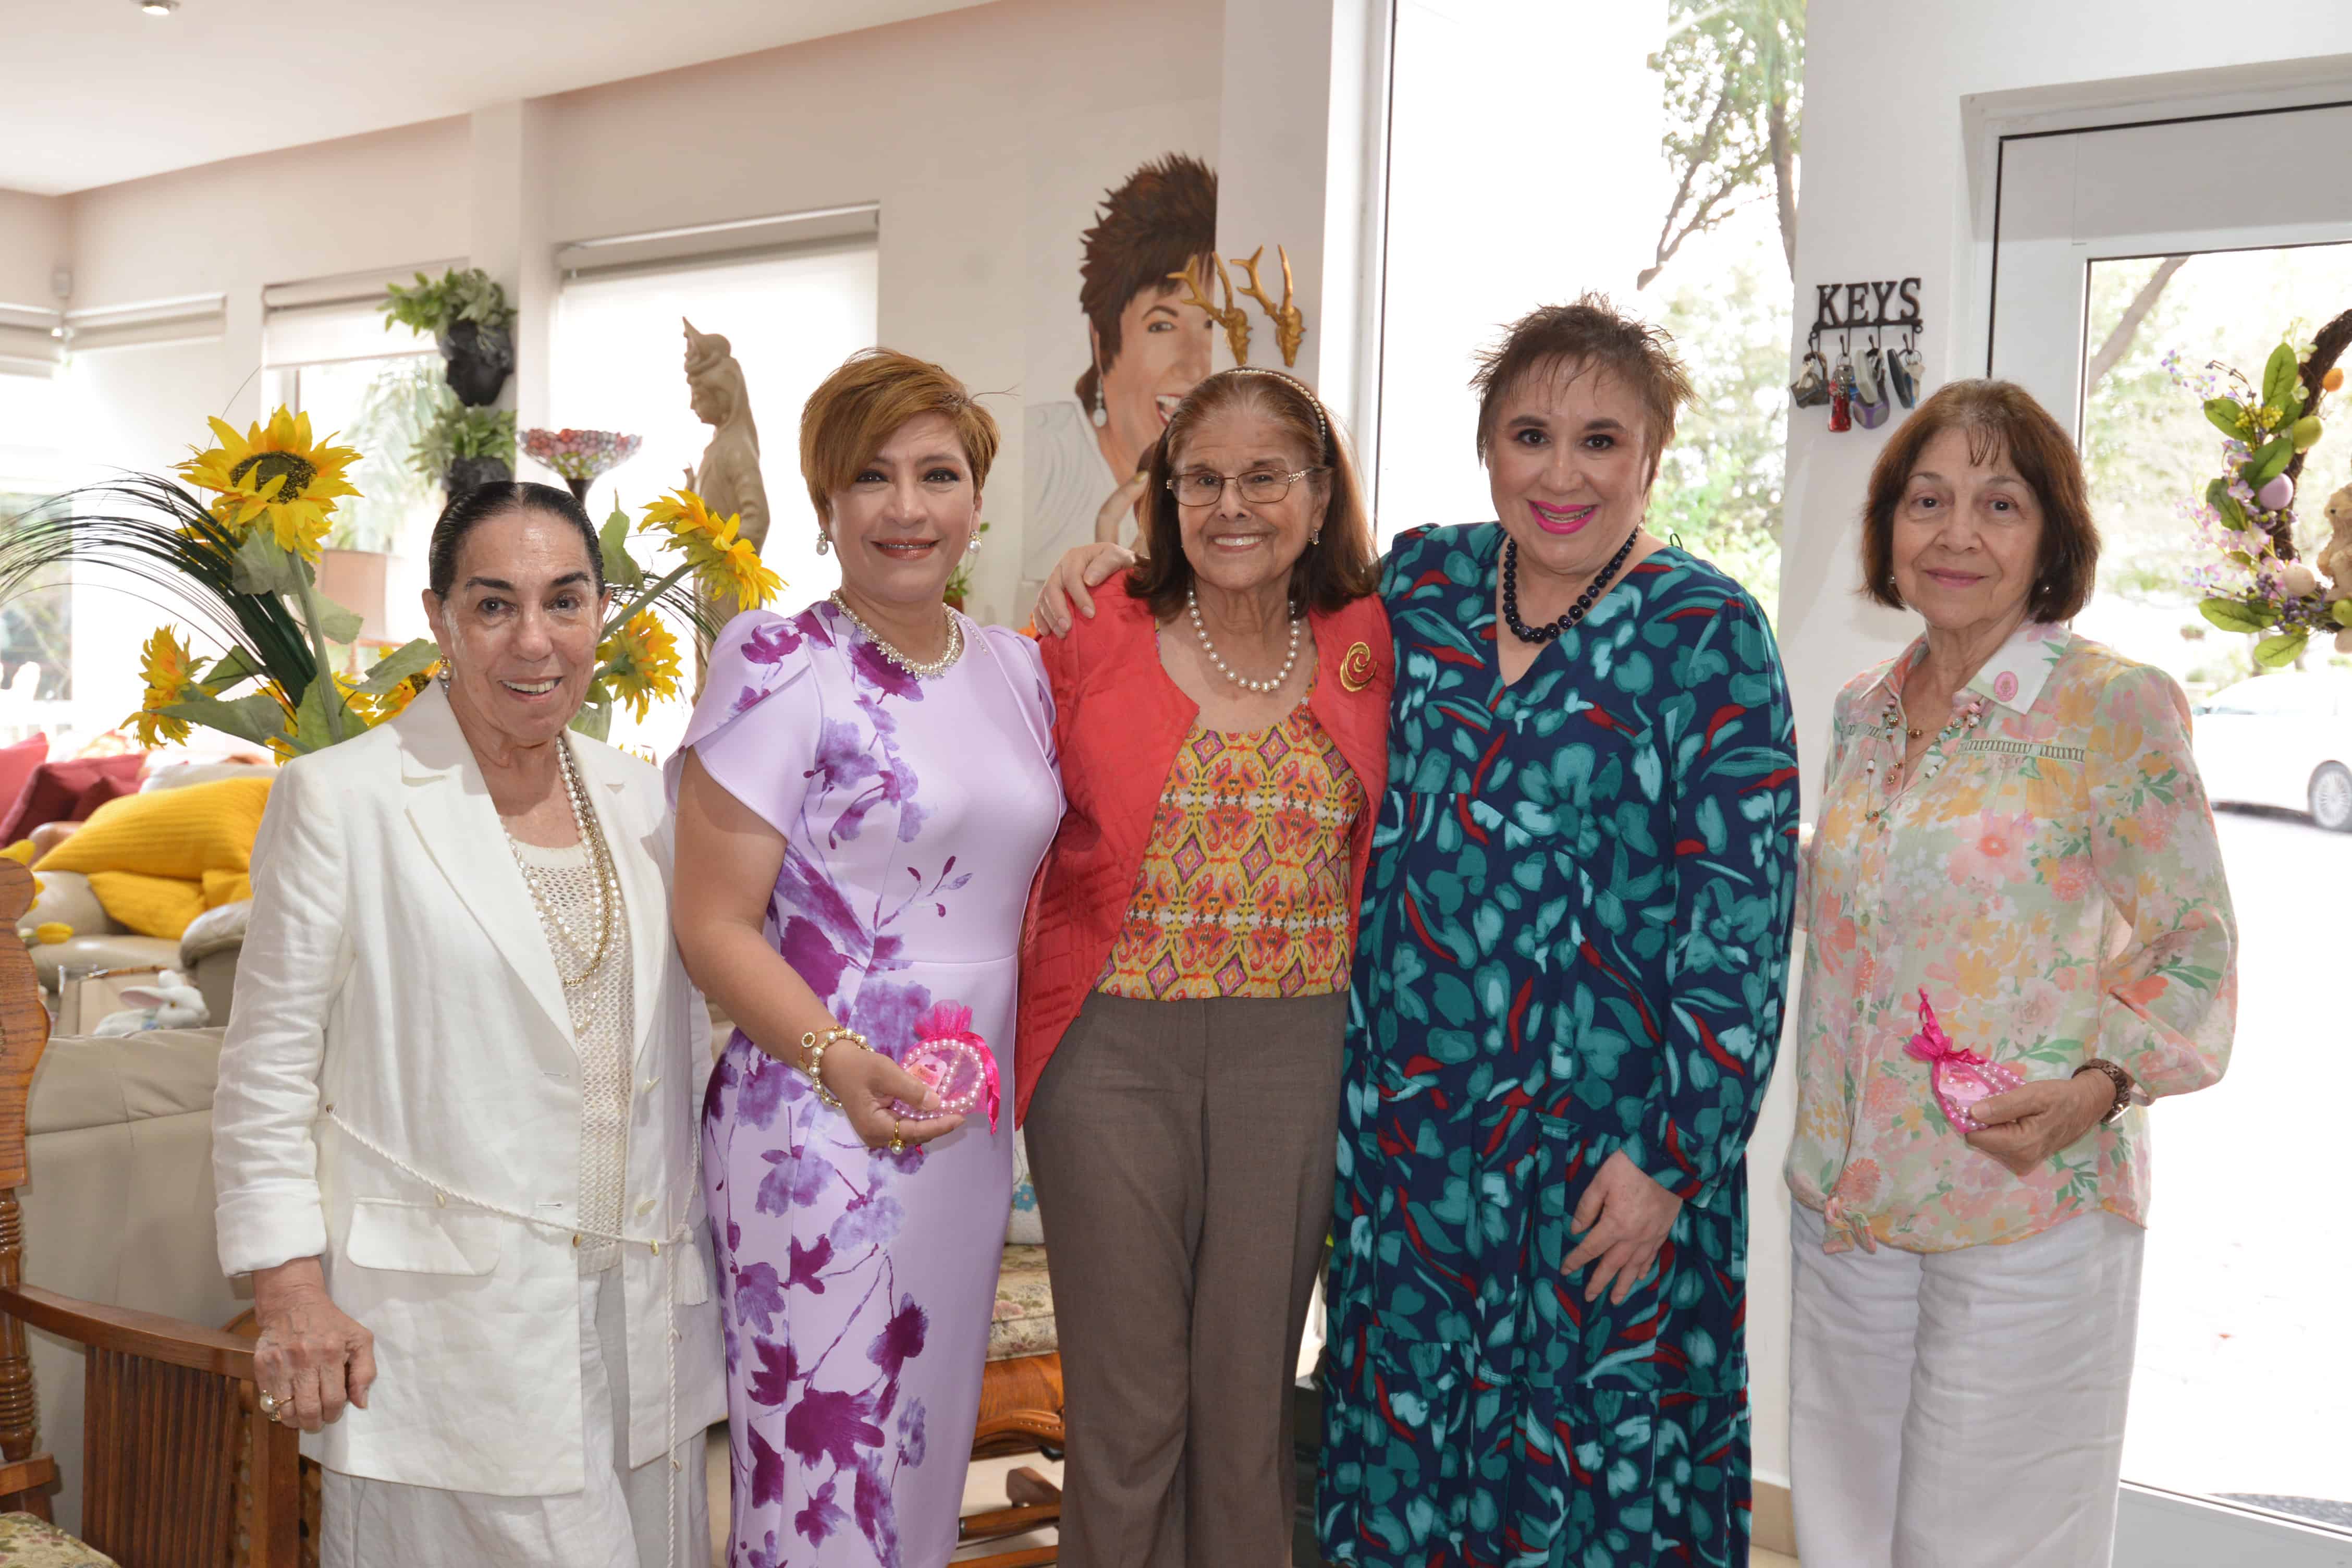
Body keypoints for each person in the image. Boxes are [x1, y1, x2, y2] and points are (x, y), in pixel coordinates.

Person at [1035, 297, 1798, 1567]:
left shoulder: (1707, 635)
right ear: (1487, 446)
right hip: (1412, 1149)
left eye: (1600, 441)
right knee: (1403, 1456)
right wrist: (1107, 548)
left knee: (1587, 1460)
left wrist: (1672, 1154)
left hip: (1600, 1154)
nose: (1561, 473)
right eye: (1529, 434)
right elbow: (1243, 577)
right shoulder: (1428, 585)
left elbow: (1743, 918)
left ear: (1651, 455)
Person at [212, 482, 725, 1567]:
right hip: (446, 1329)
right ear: (439, 619)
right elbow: (265, 1077)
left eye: (565, 601)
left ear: (603, 614)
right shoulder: (342, 800)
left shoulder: (650, 802)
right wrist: (290, 1288)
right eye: (494, 605)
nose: (533, 640)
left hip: (641, 1311)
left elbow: (682, 1058)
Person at [1784, 379, 2237, 1566]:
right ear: (1889, 525)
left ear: (2049, 537)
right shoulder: (1862, 713)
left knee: (1989, 1541)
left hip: (2024, 1192)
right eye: (1926, 500)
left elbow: (2191, 946)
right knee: (1843, 1527)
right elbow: (1861, 910)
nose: (1955, 534)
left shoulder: (2111, 709)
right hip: (1852, 1193)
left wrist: (2095, 1087)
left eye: (1997, 503)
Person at [669, 348, 1064, 1568]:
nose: (906, 508)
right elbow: (711, 921)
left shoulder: (1017, 668)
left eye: (936, 473)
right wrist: (838, 1057)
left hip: (963, 1143)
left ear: (976, 498)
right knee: (822, 1493)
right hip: (814, 1133)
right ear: (826, 502)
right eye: (871, 478)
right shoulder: (779, 659)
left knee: (918, 1482)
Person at [1018, 365, 1390, 1567]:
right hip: (1109, 1057)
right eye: (1200, 479)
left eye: (1264, 476)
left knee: (1246, 1410)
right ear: (1162, 494)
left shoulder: (1374, 641)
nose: (1231, 505)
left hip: (1294, 1054)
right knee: (1129, 1411)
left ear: (1320, 491)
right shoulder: (1091, 627)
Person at [1022, 152, 1219, 604]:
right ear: (1103, 341)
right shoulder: (1041, 453)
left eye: (1214, 324)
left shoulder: (1231, 496)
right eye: (1163, 325)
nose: (1196, 366)